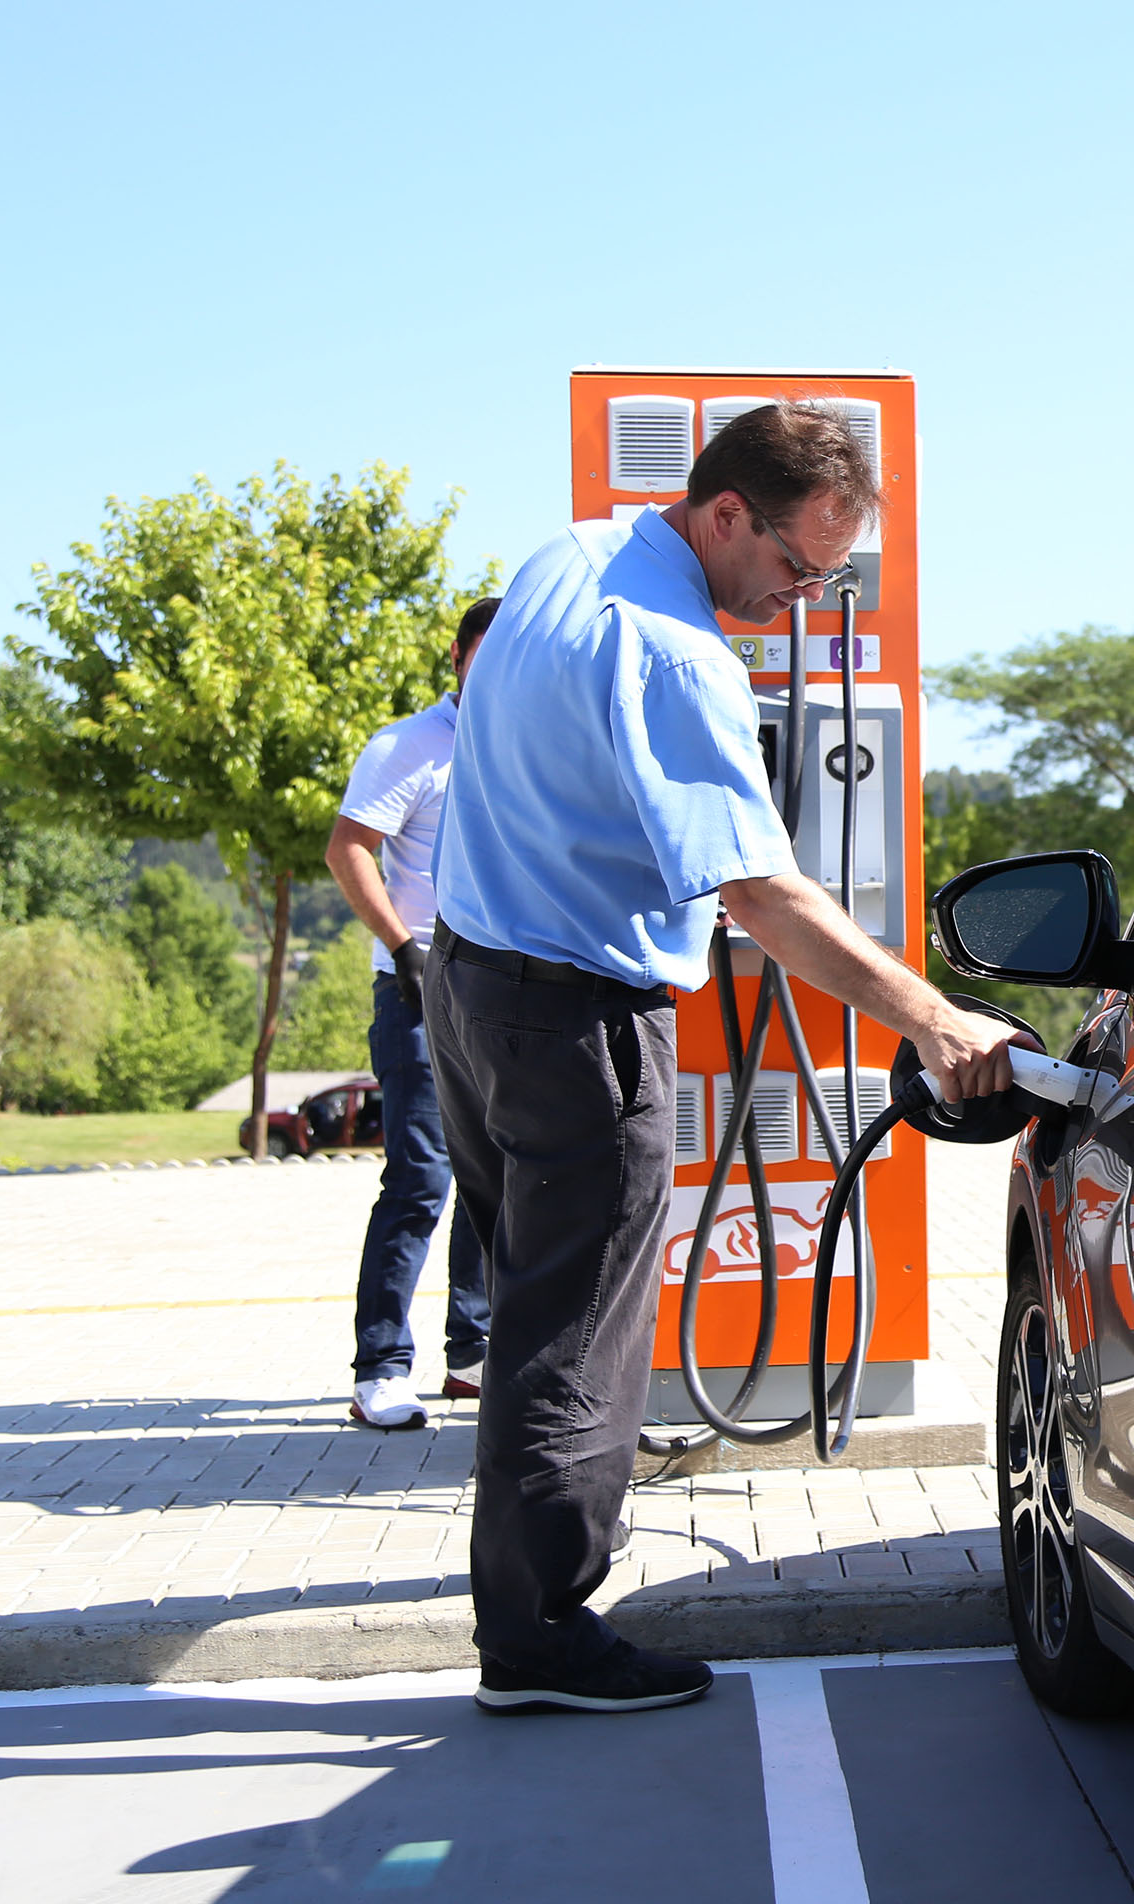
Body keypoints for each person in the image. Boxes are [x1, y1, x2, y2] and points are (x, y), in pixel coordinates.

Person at [429, 402, 1025, 1717]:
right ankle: (539, 1640)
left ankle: (522, 1595)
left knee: (536, 1313)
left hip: (468, 982)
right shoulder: (678, 656)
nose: (805, 600)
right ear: (722, 515)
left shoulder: (570, 555)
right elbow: (759, 894)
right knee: (579, 1336)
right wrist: (938, 1020)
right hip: (575, 1014)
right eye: (798, 567)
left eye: (831, 579)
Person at [324, 596, 502, 1430]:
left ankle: (471, 1354)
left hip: (504, 987)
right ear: (460, 656)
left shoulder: (523, 742)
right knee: (421, 1178)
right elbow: (347, 847)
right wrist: (401, 947)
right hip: (419, 986)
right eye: (488, 650)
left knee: (489, 1179)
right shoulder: (410, 746)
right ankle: (380, 1366)